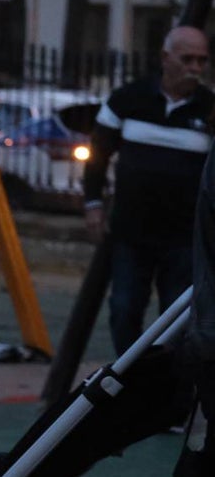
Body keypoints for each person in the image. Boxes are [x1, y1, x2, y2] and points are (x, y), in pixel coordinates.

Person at [84, 25, 214, 357]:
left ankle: (167, 386)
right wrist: (93, 203)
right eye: (187, 59)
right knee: (124, 309)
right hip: (132, 231)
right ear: (165, 58)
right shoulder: (128, 99)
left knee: (176, 320)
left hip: (184, 237)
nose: (195, 68)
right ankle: (131, 382)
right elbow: (97, 155)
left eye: (201, 61)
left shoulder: (208, 109)